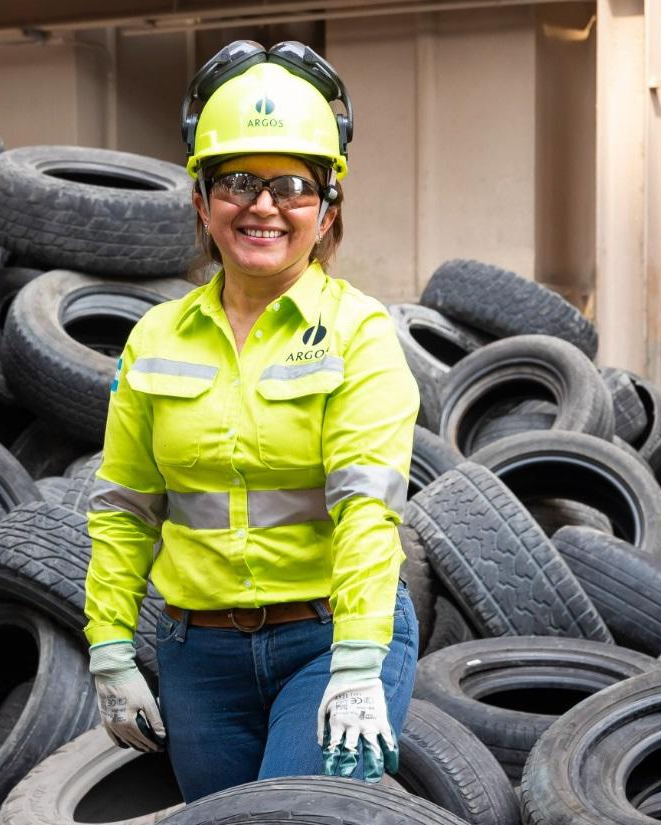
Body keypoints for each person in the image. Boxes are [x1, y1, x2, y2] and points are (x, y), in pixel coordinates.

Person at [83, 40, 420, 803]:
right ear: (201, 200)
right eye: (236, 181)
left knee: (292, 817)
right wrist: (108, 643)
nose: (262, 206)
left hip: (329, 636)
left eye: (291, 185)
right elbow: (124, 507)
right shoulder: (154, 338)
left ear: (327, 206)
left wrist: (361, 661)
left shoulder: (357, 333)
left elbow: (367, 508)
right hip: (199, 654)